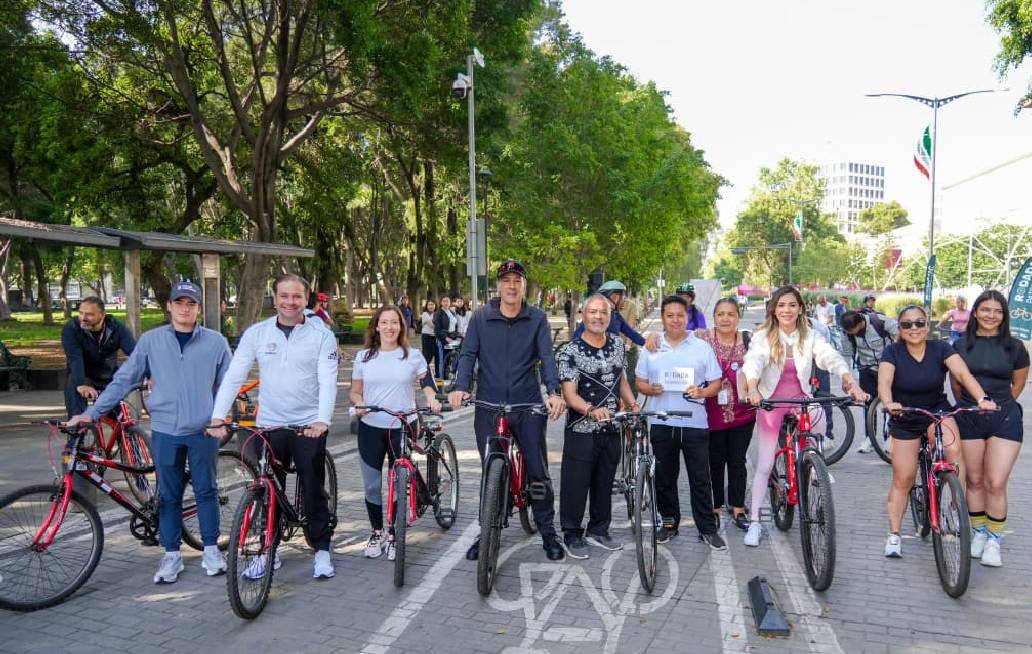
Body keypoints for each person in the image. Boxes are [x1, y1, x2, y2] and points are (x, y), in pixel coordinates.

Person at [65, 282, 232, 583]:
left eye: (190, 303)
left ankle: (211, 549)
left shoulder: (215, 342)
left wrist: (222, 418)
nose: (184, 308)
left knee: (206, 489)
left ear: (198, 308)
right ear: (169, 306)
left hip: (203, 430)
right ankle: (171, 555)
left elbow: (227, 384)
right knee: (167, 495)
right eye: (179, 302)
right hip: (165, 430)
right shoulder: (152, 341)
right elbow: (123, 379)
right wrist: (92, 413)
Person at [208, 273, 340, 579]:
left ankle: (321, 549)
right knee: (268, 491)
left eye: (296, 296)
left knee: (312, 487)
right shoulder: (257, 333)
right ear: (275, 297)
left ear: (306, 299)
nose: (290, 302)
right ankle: (267, 551)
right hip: (269, 424)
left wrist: (323, 420)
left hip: (308, 424)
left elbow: (327, 379)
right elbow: (235, 375)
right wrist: (218, 416)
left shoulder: (321, 335)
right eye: (284, 296)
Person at [448, 259, 567, 562]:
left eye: (517, 280)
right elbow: (467, 355)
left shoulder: (537, 318)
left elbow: (547, 358)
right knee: (491, 472)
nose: (512, 286)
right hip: (488, 406)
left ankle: (548, 531)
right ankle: (487, 530)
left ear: (524, 285)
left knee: (538, 471)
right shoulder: (480, 318)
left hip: (527, 406)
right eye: (506, 280)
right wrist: (460, 387)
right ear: (498, 285)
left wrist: (553, 392)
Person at [742, 286, 867, 548]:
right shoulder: (764, 336)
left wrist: (848, 381)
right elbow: (754, 360)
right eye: (781, 305)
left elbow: (828, 356)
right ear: (774, 309)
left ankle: (813, 462)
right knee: (765, 464)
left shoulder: (809, 335)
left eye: (791, 305)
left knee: (819, 413)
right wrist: (753, 388)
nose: (786, 310)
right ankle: (754, 522)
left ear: (800, 308)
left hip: (800, 399)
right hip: (770, 402)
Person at [878, 304, 995, 559]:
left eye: (919, 323)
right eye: (907, 324)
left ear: (927, 324)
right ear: (900, 329)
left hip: (936, 411)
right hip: (905, 415)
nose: (914, 328)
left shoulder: (941, 348)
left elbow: (963, 374)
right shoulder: (893, 351)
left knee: (953, 449)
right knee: (903, 479)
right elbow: (884, 383)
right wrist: (889, 403)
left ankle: (956, 506)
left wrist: (982, 398)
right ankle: (895, 535)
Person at [350, 305, 441, 561]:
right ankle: (377, 531)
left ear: (401, 326)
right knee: (371, 486)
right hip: (371, 426)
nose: (389, 327)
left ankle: (394, 533)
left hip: (403, 423)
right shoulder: (364, 357)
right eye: (384, 322)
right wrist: (358, 403)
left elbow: (427, 384)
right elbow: (355, 391)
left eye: (395, 322)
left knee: (398, 479)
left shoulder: (412, 356)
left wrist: (432, 399)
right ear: (376, 326)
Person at [635, 294, 726, 550]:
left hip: (695, 422)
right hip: (662, 422)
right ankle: (669, 524)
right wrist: (649, 390)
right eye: (669, 315)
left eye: (680, 315)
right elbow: (639, 381)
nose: (675, 320)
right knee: (664, 477)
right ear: (663, 317)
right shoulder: (651, 346)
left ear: (688, 317)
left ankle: (707, 529)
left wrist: (702, 392)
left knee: (700, 478)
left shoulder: (701, 347)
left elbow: (717, 383)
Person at [556, 294, 639, 558]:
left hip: (612, 427)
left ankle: (599, 530)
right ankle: (571, 533)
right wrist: (591, 410)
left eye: (603, 312)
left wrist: (632, 403)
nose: (598, 317)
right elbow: (569, 394)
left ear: (610, 316)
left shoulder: (616, 344)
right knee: (576, 484)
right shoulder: (569, 351)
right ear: (583, 315)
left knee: (604, 483)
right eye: (592, 312)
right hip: (581, 430)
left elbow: (621, 379)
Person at [951, 291, 1029, 567]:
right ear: (975, 312)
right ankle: (980, 533)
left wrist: (1001, 404)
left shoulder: (1016, 347)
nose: (991, 316)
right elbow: (957, 383)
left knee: (995, 482)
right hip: (969, 416)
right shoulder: (960, 346)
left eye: (997, 311)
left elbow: (1018, 384)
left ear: (1004, 316)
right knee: (973, 480)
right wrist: (972, 404)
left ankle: (995, 540)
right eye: (985, 310)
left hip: (1004, 417)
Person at [694, 298, 755, 531]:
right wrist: (652, 338)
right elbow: (674, 337)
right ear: (714, 317)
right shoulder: (702, 338)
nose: (725, 319)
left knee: (737, 461)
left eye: (730, 314)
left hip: (744, 413)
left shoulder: (750, 341)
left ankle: (738, 507)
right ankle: (715, 506)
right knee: (715, 461)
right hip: (710, 413)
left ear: (738, 317)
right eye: (720, 314)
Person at [61, 296, 137, 418]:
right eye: (80, 313)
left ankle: (124, 435)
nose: (83, 318)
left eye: (89, 314)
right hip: (81, 374)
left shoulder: (116, 328)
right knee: (78, 419)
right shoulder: (72, 328)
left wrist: (150, 375)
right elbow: (75, 358)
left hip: (107, 374)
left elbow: (136, 353)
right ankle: (77, 434)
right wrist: (81, 383)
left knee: (120, 421)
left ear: (103, 315)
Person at [840, 309, 899, 453]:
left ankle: (890, 437)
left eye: (853, 330)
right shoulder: (846, 333)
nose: (852, 334)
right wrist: (845, 378)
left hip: (888, 368)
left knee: (888, 401)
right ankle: (870, 439)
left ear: (861, 322)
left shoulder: (880, 322)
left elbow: (900, 336)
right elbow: (847, 355)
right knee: (868, 403)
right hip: (866, 369)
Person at [572, 280, 646, 346]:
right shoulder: (601, 317)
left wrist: (649, 343)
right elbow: (577, 338)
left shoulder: (616, 315)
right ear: (614, 296)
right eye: (623, 297)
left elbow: (632, 333)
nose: (624, 301)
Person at [433, 296, 459, 379]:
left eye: (447, 301)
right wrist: (445, 338)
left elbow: (455, 326)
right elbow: (437, 329)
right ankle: (442, 381)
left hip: (452, 339)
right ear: (441, 302)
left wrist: (456, 336)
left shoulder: (452, 312)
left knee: (450, 359)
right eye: (444, 301)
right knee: (442, 360)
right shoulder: (438, 313)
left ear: (450, 302)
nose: (446, 303)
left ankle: (448, 378)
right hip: (443, 339)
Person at [420, 299, 438, 379]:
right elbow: (431, 325)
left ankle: (438, 375)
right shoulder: (424, 314)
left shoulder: (437, 314)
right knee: (427, 357)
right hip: (427, 337)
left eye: (432, 304)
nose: (431, 306)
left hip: (436, 337)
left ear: (435, 306)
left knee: (438, 357)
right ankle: (423, 375)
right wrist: (439, 325)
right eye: (429, 304)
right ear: (427, 306)